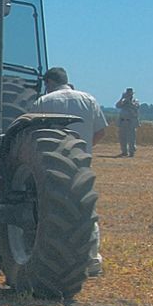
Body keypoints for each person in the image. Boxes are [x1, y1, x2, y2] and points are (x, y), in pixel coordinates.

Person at [30, 67, 107, 276]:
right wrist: (83, 151)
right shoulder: (88, 100)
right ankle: (91, 259)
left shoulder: (44, 102)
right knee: (86, 208)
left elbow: (31, 134)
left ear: (49, 83)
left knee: (48, 209)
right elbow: (100, 130)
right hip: (81, 161)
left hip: (50, 165)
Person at [116, 87, 140, 157]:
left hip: (131, 122)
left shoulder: (135, 100)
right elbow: (117, 106)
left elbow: (135, 107)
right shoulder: (123, 101)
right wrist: (122, 98)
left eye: (129, 93)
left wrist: (129, 101)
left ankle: (131, 152)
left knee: (131, 138)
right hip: (122, 121)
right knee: (122, 137)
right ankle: (124, 152)